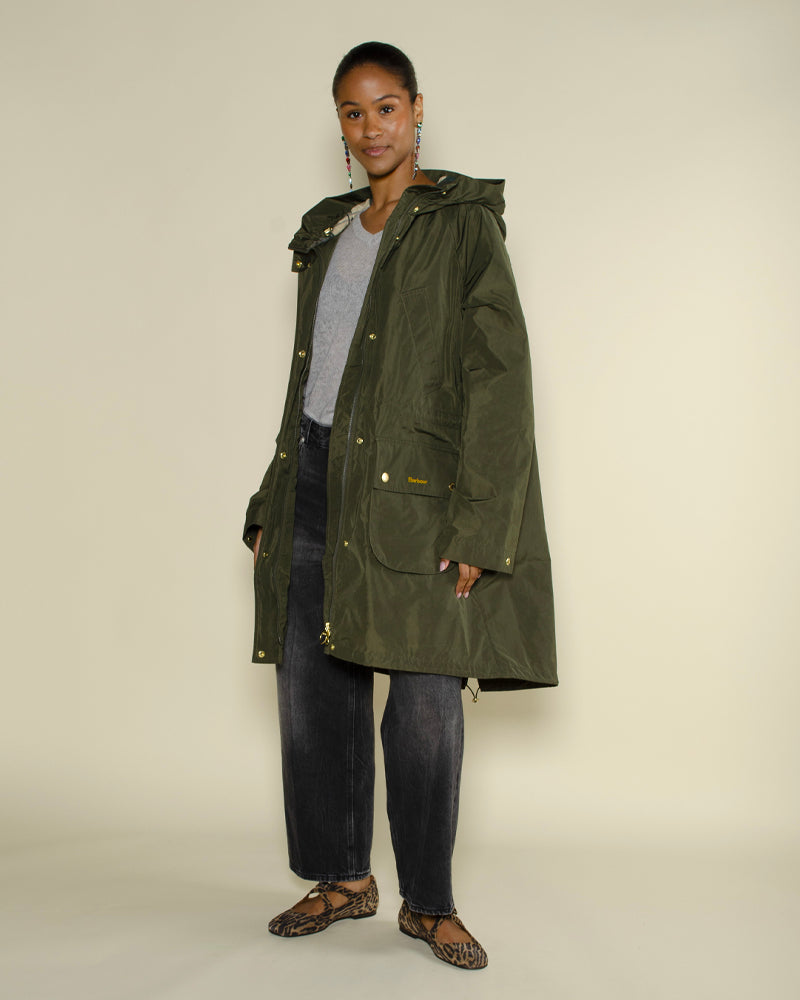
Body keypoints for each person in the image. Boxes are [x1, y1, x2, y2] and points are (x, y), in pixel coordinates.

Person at [242, 41, 557, 971]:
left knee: (423, 702)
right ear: (339, 125)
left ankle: (428, 902)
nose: (370, 127)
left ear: (417, 109)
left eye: (386, 107)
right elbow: (308, 380)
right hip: (314, 481)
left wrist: (482, 524)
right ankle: (343, 879)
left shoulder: (462, 225)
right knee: (315, 692)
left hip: (416, 493)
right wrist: (271, 498)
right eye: (352, 111)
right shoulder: (328, 234)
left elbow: (500, 379)